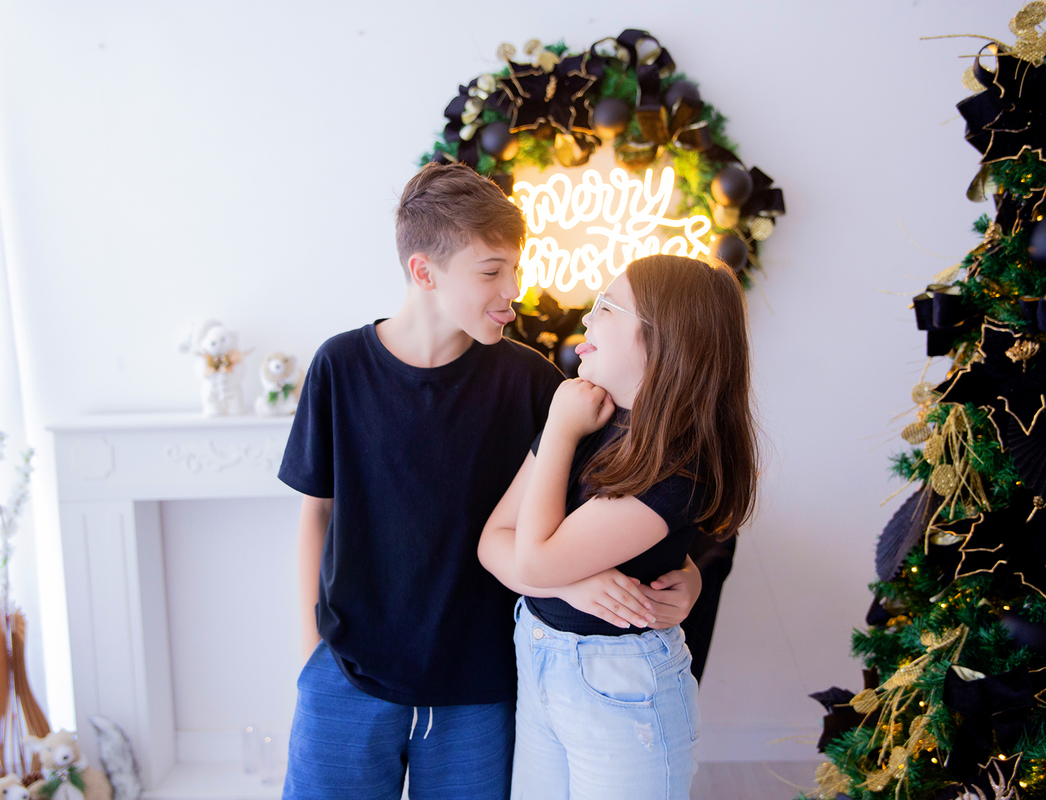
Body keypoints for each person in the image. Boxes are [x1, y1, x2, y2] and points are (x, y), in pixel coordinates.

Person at [277, 163, 703, 800]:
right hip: (347, 675)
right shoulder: (339, 366)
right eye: (491, 271)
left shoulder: (534, 384)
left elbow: (624, 497)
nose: (514, 290)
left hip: (483, 686)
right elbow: (317, 513)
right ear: (424, 272)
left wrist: (687, 574)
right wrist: (313, 655)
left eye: (515, 267)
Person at [479, 254, 759, 799]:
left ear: (663, 339)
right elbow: (494, 543)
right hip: (540, 660)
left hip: (620, 687)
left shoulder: (676, 467)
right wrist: (575, 583)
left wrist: (558, 429)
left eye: (607, 307)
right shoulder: (588, 418)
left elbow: (529, 561)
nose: (587, 318)